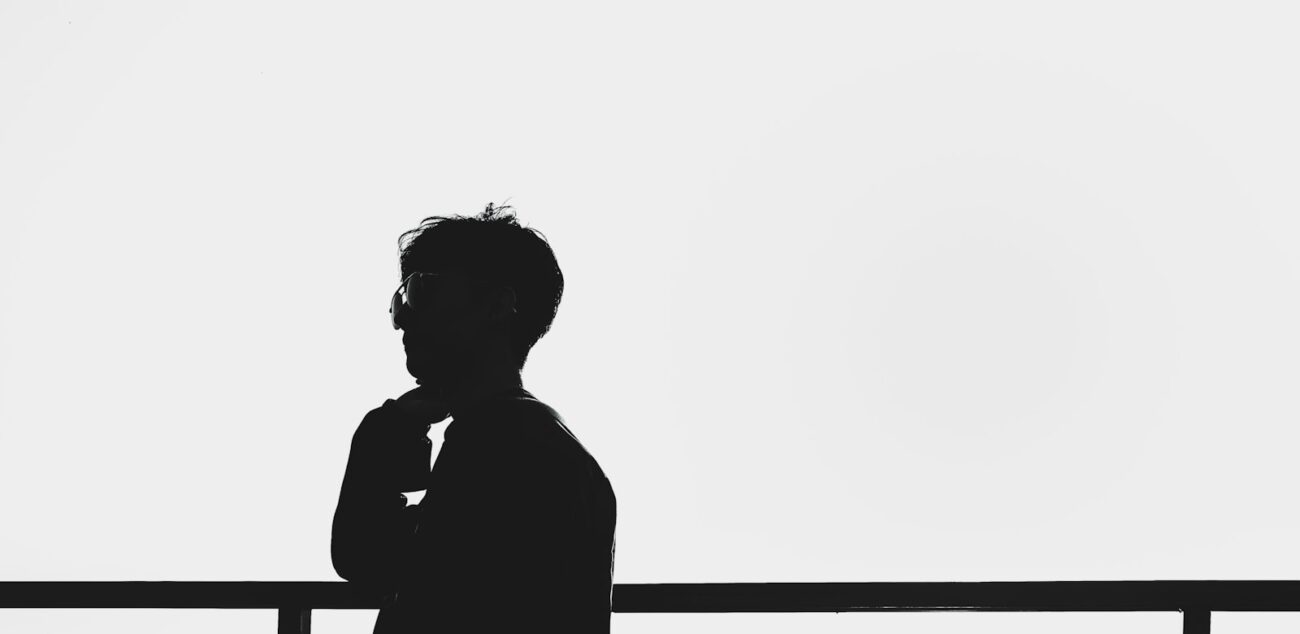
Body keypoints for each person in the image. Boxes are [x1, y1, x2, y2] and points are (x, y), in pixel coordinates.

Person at [331, 203, 617, 633]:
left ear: (498, 305)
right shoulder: (518, 438)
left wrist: (383, 433)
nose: (403, 316)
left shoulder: (507, 448)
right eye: (400, 298)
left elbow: (374, 558)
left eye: (422, 289)